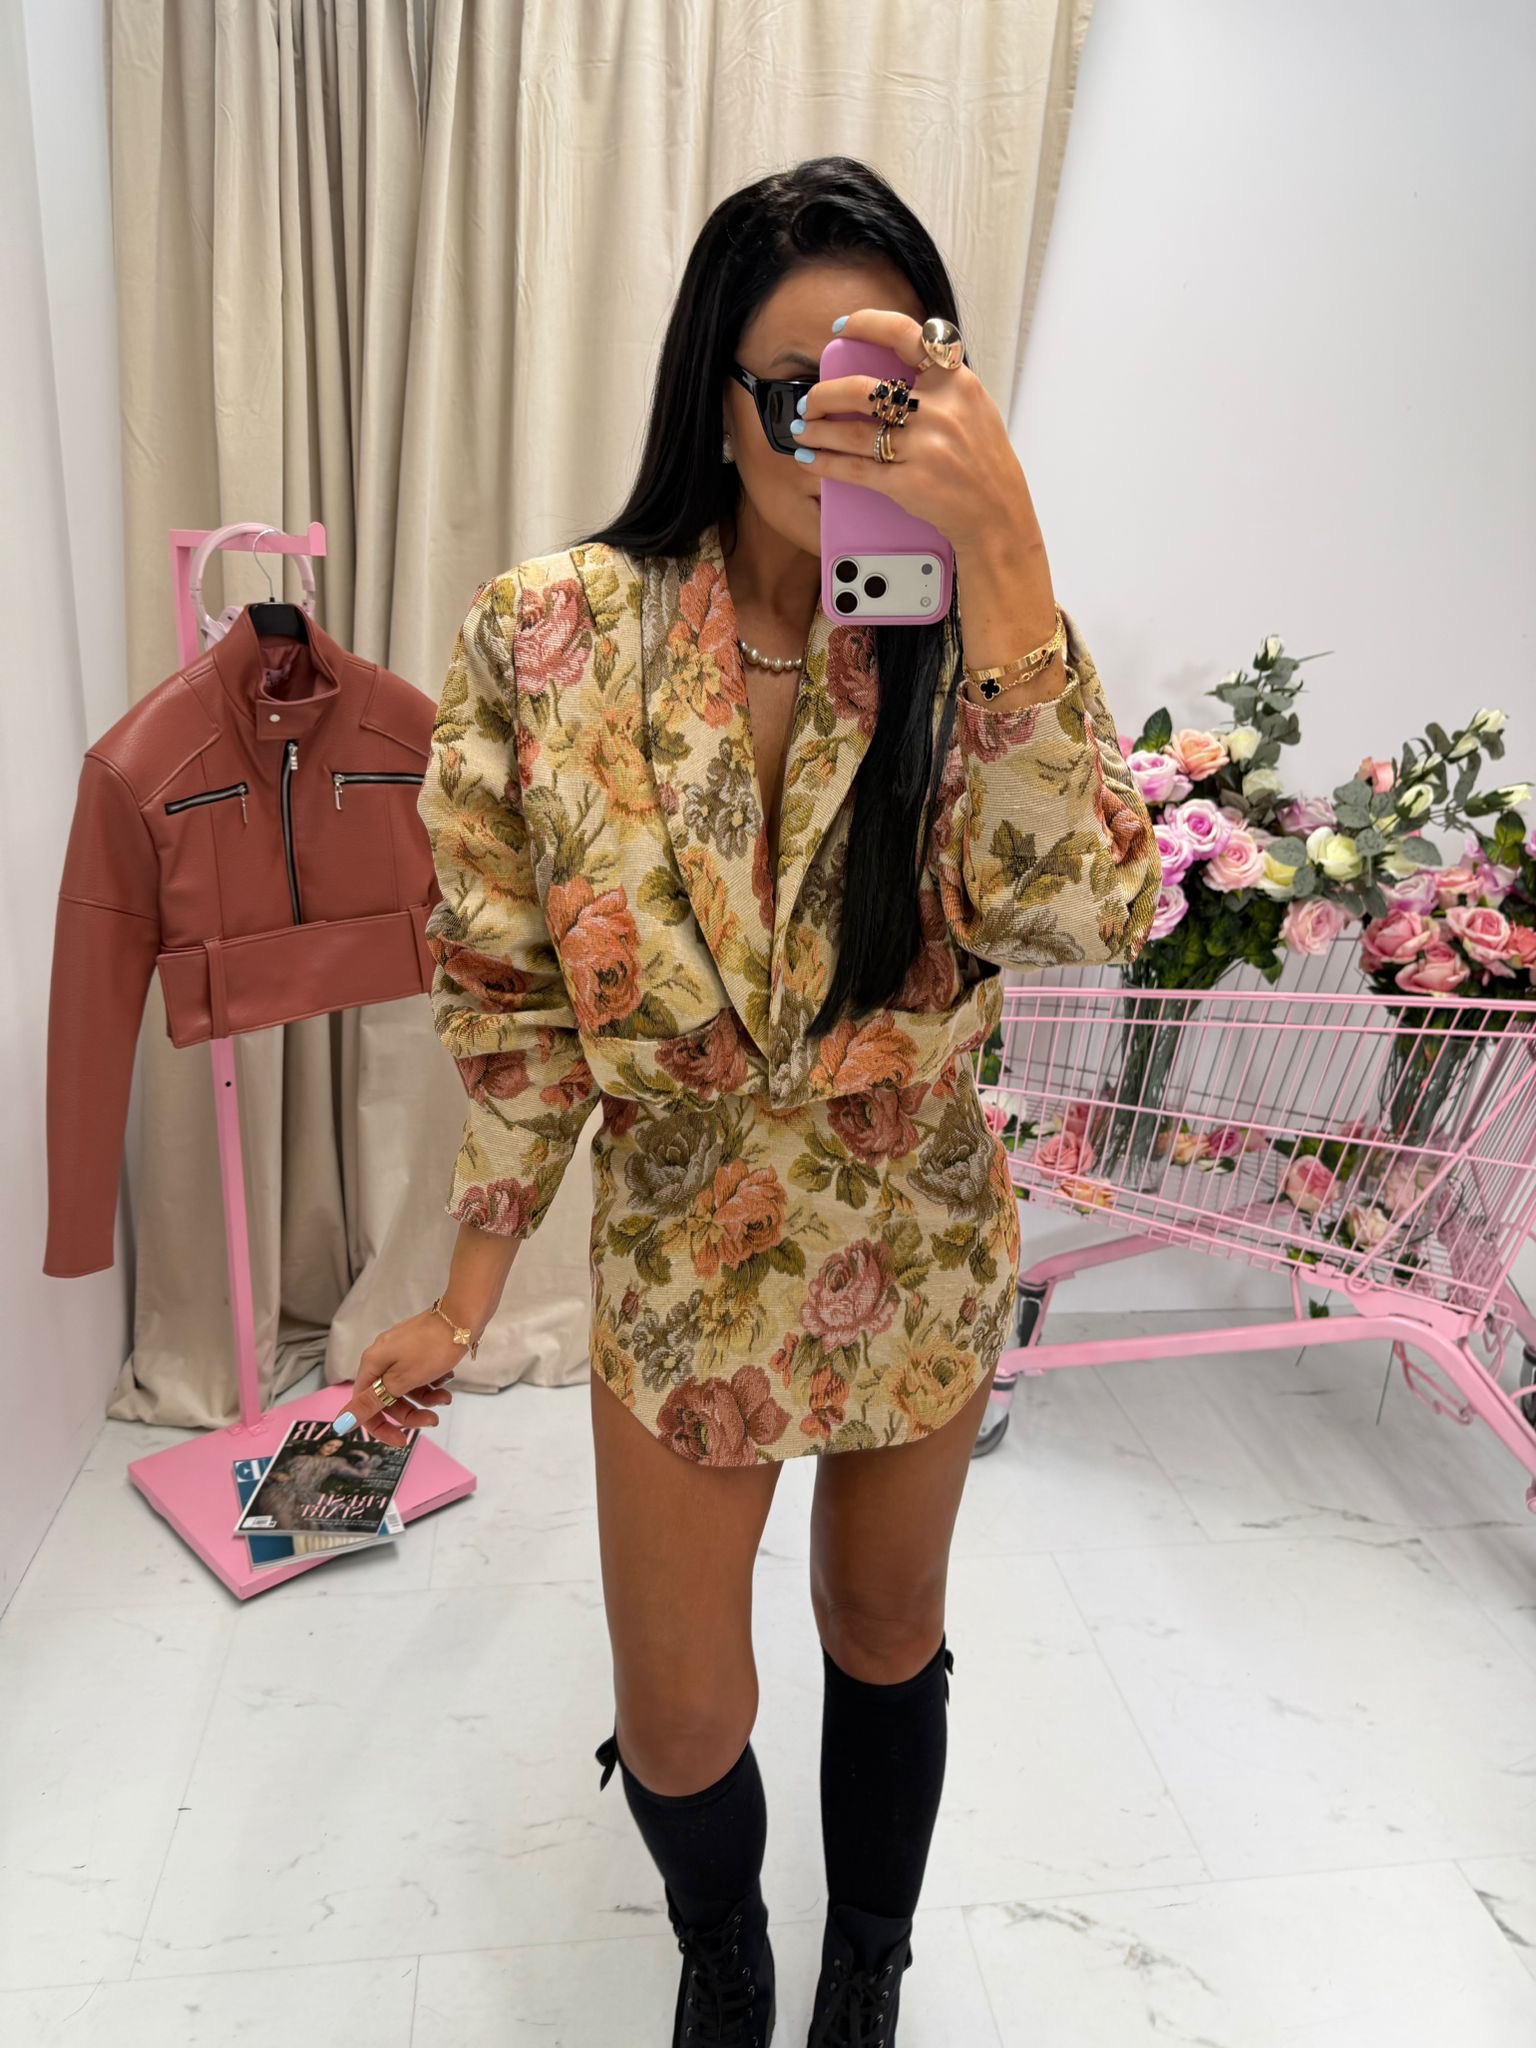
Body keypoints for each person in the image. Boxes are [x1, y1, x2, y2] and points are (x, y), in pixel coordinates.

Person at [331, 156, 1159, 2047]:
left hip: (917, 1233)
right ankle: (725, 1948)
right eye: (796, 391)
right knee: (683, 1709)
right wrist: (464, 1294)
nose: (836, 431)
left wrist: (1006, 555)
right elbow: (511, 993)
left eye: (890, 387)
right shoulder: (549, 634)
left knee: (884, 1634)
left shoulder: (970, 633)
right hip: (687, 1245)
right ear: (714, 393)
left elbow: (1078, 911)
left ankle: (869, 1956)